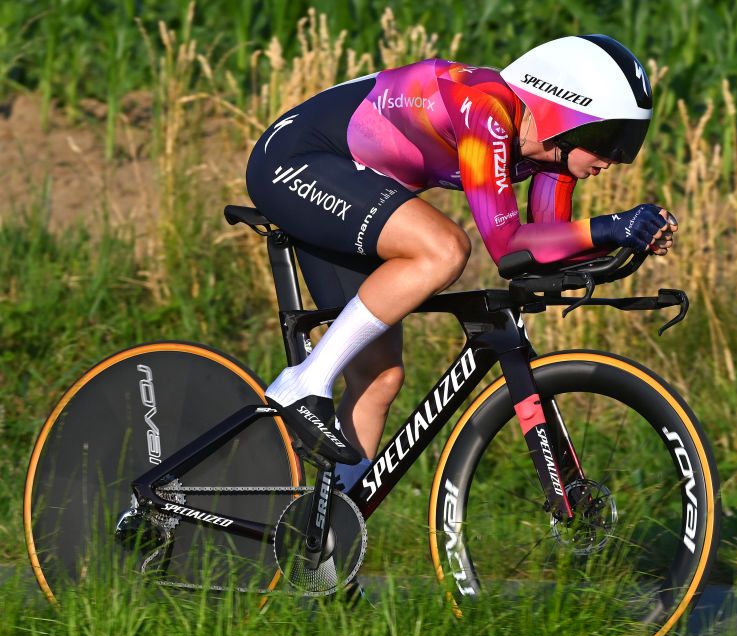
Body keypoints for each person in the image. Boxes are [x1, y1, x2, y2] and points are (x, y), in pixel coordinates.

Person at [245, 34, 677, 489]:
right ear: (564, 114)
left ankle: (324, 546)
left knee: (378, 379)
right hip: (295, 161)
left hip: (353, 186)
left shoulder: (550, 158)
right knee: (445, 248)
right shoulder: (486, 109)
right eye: (609, 138)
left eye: (626, 142)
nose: (616, 159)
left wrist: (629, 242)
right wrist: (611, 226)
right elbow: (506, 243)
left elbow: (538, 255)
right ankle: (302, 383)